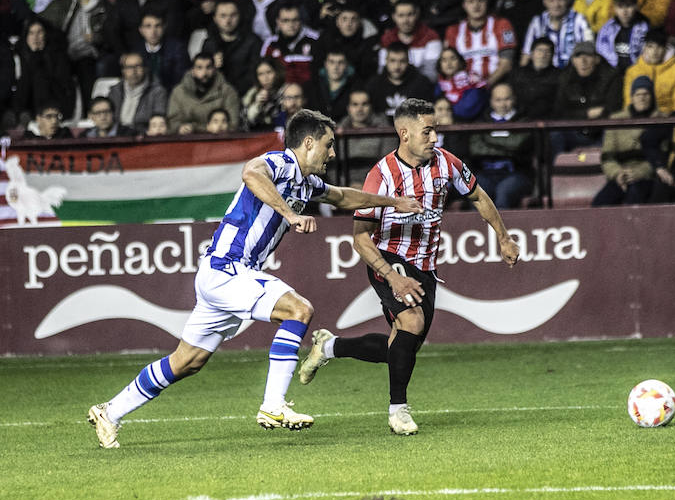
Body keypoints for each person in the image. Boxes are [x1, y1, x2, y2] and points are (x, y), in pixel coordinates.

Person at [86, 109, 427, 449]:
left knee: (187, 361)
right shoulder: (279, 163)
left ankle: (110, 412)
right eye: (328, 145)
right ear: (308, 143)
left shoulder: (306, 182)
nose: (333, 153)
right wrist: (290, 214)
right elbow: (251, 172)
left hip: (222, 275)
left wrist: (392, 202)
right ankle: (273, 405)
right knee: (299, 310)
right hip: (228, 269)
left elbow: (341, 196)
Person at [297, 98, 518, 435]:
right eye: (427, 132)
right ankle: (398, 411)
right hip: (388, 259)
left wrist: (503, 237)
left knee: (401, 346)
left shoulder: (448, 164)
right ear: (405, 133)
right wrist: (391, 276)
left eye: (436, 131)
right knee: (412, 321)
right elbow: (360, 239)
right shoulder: (382, 175)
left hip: (426, 267)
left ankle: (328, 346)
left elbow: (478, 196)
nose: (434, 138)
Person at [38, 0, 105, 113]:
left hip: (89, 54)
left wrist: (97, 38)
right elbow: (41, 24)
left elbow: (112, 32)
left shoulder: (103, 4)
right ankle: (63, 115)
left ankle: (90, 114)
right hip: (63, 54)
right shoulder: (61, 3)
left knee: (87, 71)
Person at [465, 82, 535, 208]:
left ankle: (502, 228)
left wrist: (487, 138)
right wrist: (507, 147)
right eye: (498, 100)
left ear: (514, 99)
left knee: (504, 193)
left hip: (515, 174)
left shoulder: (524, 121)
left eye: (507, 99)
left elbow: (517, 145)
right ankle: (477, 228)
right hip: (485, 173)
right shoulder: (480, 122)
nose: (503, 104)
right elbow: (476, 149)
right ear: (491, 101)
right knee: (476, 194)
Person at [594, 75, 658, 206]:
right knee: (600, 203)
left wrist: (640, 173)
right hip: (620, 174)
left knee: (635, 195)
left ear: (652, 96)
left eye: (646, 94)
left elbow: (662, 155)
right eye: (638, 94)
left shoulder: (662, 120)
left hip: (647, 176)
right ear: (632, 97)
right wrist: (618, 174)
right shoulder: (616, 119)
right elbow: (607, 156)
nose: (642, 98)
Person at [445, 0, 518, 87]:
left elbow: (506, 64)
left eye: (480, 0)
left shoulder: (502, 24)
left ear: (486, 2)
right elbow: (449, 66)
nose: (476, 5)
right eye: (471, 1)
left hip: (496, 85)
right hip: (464, 89)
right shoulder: (453, 31)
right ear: (464, 5)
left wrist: (485, 85)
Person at [13, 19, 74, 123]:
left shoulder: (58, 56)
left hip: (55, 100)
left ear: (46, 34)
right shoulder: (19, 56)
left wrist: (39, 55)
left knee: (40, 77)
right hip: (26, 103)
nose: (35, 37)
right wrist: (33, 55)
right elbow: (23, 85)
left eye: (39, 32)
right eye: (31, 33)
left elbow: (61, 83)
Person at [522, 0, 594, 68]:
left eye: (560, 0)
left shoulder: (579, 20)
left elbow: (590, 52)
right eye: (552, 0)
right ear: (545, 2)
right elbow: (526, 54)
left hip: (572, 75)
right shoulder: (537, 22)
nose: (556, 5)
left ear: (566, 0)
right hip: (545, 75)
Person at [201, 0, 263, 95]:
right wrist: (212, 68)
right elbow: (201, 77)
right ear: (215, 19)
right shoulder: (209, 44)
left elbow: (255, 75)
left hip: (245, 94)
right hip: (215, 95)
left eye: (233, 15)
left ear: (239, 16)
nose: (228, 20)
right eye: (223, 16)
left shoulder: (253, 42)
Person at [169, 53, 242, 133]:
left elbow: (233, 124)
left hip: (219, 141)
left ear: (214, 69)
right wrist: (180, 128)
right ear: (193, 70)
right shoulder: (179, 92)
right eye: (199, 68)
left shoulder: (227, 92)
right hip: (186, 141)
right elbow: (172, 122)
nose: (204, 73)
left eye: (208, 67)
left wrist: (196, 128)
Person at [622, 28, 675, 114]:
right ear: (644, 48)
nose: (654, 52)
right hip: (638, 120)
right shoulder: (632, 71)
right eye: (650, 46)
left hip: (667, 121)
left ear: (665, 49)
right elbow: (629, 104)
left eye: (659, 46)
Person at [379, 0, 443, 82]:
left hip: (421, 89)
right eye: (401, 16)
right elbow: (382, 72)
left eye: (410, 15)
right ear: (394, 17)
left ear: (417, 14)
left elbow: (431, 75)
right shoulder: (387, 38)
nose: (406, 21)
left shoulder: (431, 36)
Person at [367, 42, 435, 119]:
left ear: (408, 61)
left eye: (402, 61)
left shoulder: (422, 83)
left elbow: (427, 115)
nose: (397, 66)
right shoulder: (374, 84)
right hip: (380, 129)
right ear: (386, 61)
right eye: (392, 61)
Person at [260, 3, 319, 85]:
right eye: (285, 20)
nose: (291, 25)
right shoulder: (270, 44)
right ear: (278, 22)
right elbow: (263, 73)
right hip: (279, 92)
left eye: (295, 20)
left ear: (300, 20)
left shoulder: (315, 40)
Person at [108, 52, 169, 131]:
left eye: (138, 66)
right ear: (123, 71)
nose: (134, 71)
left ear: (145, 69)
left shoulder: (157, 92)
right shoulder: (115, 91)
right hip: (117, 136)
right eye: (129, 67)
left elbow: (158, 119)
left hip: (143, 136)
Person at [596, 0, 650, 70]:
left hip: (638, 71)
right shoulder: (607, 28)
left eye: (628, 6)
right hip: (612, 72)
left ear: (635, 7)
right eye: (620, 7)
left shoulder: (645, 28)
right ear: (615, 8)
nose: (624, 11)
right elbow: (601, 50)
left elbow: (648, 55)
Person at [508, 37, 561, 119]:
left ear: (552, 55)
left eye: (547, 51)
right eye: (540, 50)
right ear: (532, 54)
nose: (543, 55)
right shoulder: (517, 74)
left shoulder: (560, 76)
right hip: (520, 120)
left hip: (549, 121)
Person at [137, 12, 190, 90]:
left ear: (164, 27)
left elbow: (181, 80)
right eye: (148, 26)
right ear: (141, 30)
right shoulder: (137, 51)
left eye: (157, 26)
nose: (153, 31)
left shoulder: (177, 48)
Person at [242, 58, 286, 130]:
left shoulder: (286, 91)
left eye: (269, 72)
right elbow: (246, 123)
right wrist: (257, 105)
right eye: (260, 74)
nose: (265, 78)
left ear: (276, 72)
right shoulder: (251, 94)